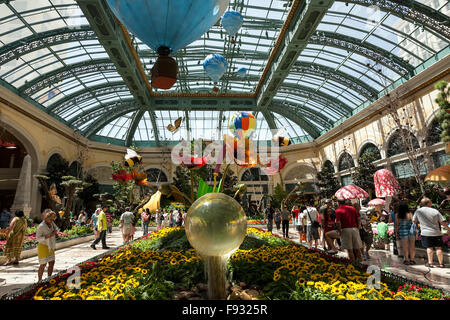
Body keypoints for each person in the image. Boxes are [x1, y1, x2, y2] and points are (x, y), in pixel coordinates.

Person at [413, 197, 450, 268]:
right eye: (430, 202)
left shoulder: (418, 211)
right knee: (438, 248)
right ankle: (441, 264)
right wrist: (448, 228)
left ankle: (430, 263)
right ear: (428, 203)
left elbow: (414, 221)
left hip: (425, 233)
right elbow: (442, 222)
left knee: (429, 247)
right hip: (436, 232)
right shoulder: (435, 211)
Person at [335, 198, 363, 262]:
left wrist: (339, 231)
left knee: (349, 249)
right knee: (357, 248)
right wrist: (358, 227)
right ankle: (362, 264)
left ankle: (353, 265)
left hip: (345, 230)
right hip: (354, 229)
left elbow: (338, 222)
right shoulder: (352, 208)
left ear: (338, 203)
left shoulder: (338, 210)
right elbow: (358, 218)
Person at [36, 210, 59, 281]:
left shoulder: (52, 223)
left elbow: (56, 228)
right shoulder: (41, 226)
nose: (52, 220)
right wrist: (48, 236)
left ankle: (49, 278)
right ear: (46, 218)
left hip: (50, 245)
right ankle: (39, 281)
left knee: (52, 262)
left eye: (53, 219)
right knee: (43, 264)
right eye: (51, 219)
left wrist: (56, 233)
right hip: (43, 246)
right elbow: (38, 239)